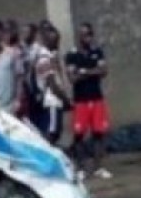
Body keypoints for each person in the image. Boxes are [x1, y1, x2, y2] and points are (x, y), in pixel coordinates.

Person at [66, 23, 111, 180]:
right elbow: (72, 78)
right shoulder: (72, 55)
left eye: (88, 34)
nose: (85, 38)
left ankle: (99, 167)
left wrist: (84, 72)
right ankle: (81, 168)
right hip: (81, 100)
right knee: (79, 135)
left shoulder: (97, 52)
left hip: (96, 98)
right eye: (82, 35)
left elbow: (104, 71)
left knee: (99, 133)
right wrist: (92, 72)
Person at [33, 27, 71, 145]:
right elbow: (52, 84)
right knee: (52, 131)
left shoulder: (51, 56)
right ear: (46, 41)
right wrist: (65, 100)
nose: (56, 43)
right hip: (52, 99)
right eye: (53, 40)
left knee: (56, 131)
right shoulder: (44, 58)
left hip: (55, 99)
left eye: (57, 40)